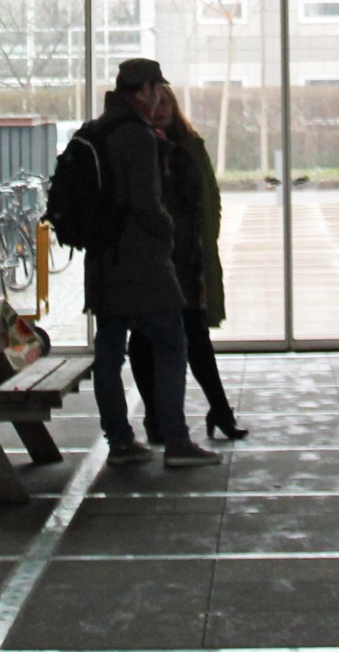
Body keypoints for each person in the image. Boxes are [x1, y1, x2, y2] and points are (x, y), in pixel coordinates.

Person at [84, 58, 223, 469]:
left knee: (109, 354)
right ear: (144, 90)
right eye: (155, 89)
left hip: (103, 265)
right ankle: (176, 441)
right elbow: (147, 203)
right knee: (171, 343)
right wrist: (168, 233)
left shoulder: (94, 131)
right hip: (143, 266)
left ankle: (120, 442)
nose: (158, 96)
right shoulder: (139, 136)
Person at [130, 82, 250, 441]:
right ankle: (161, 417)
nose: (161, 108)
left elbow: (208, 196)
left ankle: (216, 410)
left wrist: (204, 242)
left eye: (166, 101)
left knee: (194, 335)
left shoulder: (190, 145)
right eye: (155, 102)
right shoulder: (141, 145)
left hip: (190, 258)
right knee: (148, 339)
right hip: (156, 260)